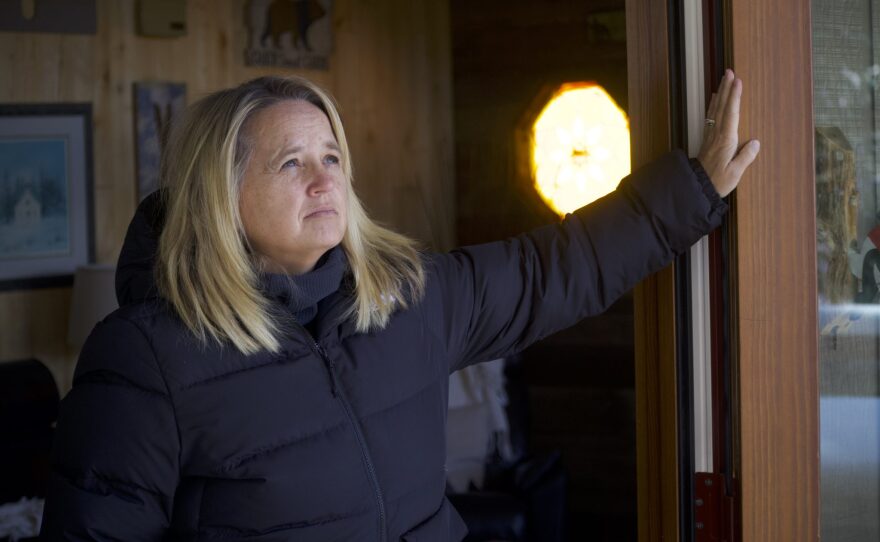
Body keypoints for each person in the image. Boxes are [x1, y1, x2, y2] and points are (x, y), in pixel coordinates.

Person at [40, 70, 758, 540]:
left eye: (332, 156)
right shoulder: (145, 357)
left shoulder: (407, 298)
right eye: (291, 162)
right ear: (219, 194)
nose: (325, 180)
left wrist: (690, 192)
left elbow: (553, 271)